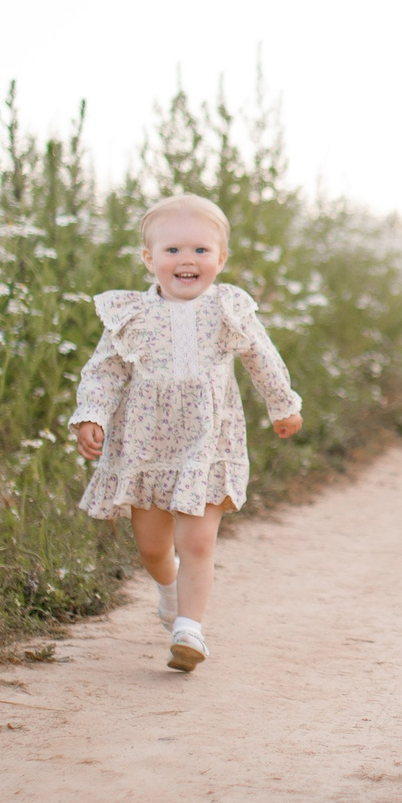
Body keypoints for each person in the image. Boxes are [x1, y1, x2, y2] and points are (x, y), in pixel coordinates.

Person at [72, 194, 302, 673]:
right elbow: (104, 372)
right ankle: (170, 590)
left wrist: (282, 404)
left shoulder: (227, 308)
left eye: (200, 250)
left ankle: (189, 629)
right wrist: (91, 414)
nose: (187, 261)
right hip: (145, 445)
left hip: (207, 442)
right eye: (173, 250)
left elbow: (262, 356)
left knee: (197, 540)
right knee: (154, 548)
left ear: (220, 258)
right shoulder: (131, 315)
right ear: (149, 259)